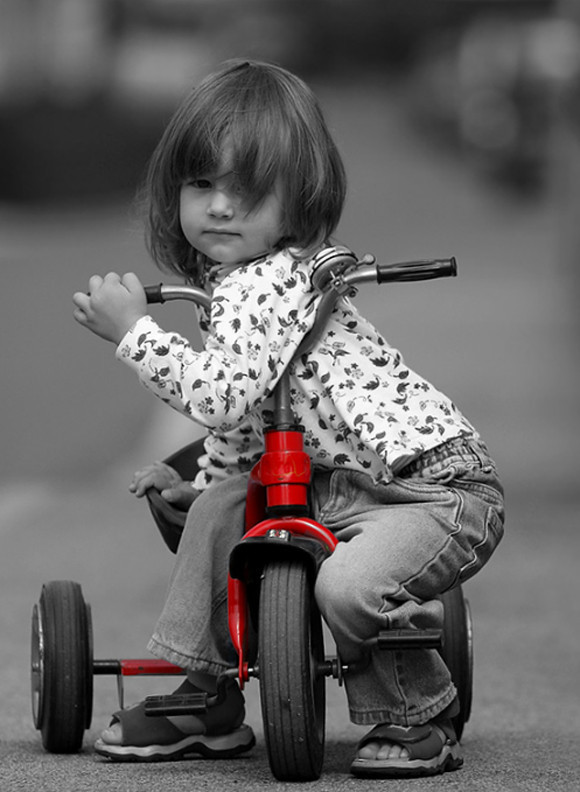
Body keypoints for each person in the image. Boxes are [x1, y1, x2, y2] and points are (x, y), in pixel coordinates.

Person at [72, 59, 504, 778]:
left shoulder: (271, 282)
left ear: (298, 199)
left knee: (345, 586)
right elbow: (249, 427)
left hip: (432, 493)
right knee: (218, 505)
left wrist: (133, 334)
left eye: (248, 190)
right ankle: (207, 694)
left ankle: (416, 712)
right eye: (202, 184)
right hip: (334, 489)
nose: (219, 208)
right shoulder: (234, 286)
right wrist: (207, 481)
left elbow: (221, 397)